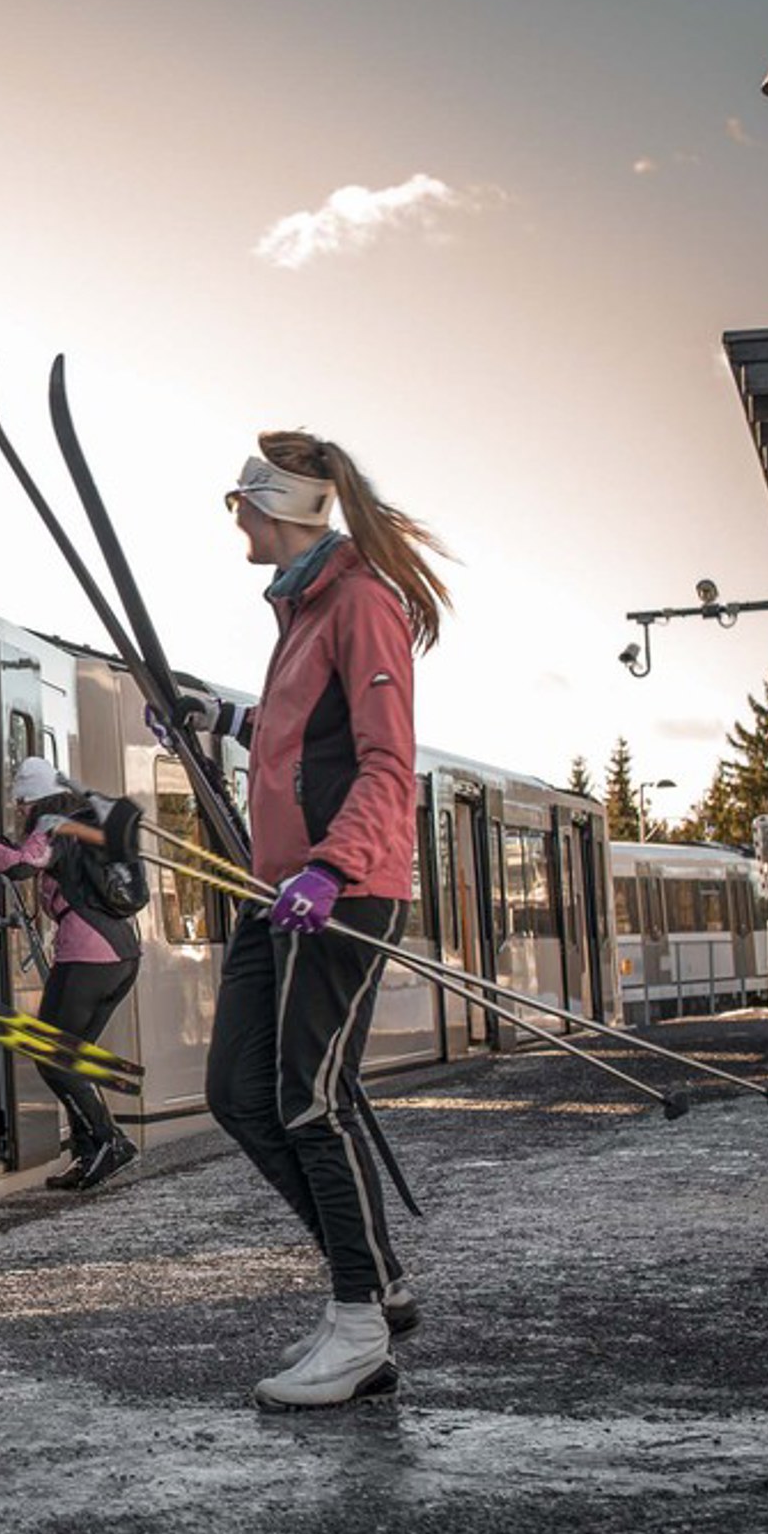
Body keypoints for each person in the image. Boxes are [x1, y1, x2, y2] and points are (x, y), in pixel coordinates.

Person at [173, 430, 448, 1412]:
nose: (234, 522)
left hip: (337, 889)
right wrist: (219, 718)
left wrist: (333, 867)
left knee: (306, 1099)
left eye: (239, 506)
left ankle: (359, 1322)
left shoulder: (360, 601)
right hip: (277, 886)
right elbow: (300, 739)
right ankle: (369, 1275)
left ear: (273, 508)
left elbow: (384, 762)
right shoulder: (298, 610)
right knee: (239, 1093)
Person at [0, 756, 141, 1193]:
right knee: (71, 1056)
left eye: (21, 802)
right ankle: (88, 1153)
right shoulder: (78, 825)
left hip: (89, 955)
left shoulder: (52, 824)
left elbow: (20, 865)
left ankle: (111, 1142)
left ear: (36, 799)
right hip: (121, 954)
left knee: (50, 1054)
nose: (19, 810)